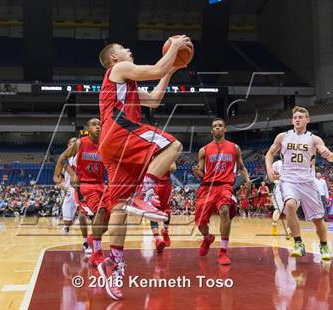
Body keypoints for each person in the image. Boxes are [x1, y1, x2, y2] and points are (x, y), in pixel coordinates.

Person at [96, 37, 189, 300]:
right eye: (123, 49)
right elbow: (156, 68)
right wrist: (173, 48)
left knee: (119, 207)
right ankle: (148, 192)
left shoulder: (129, 85)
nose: (129, 50)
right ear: (114, 58)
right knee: (173, 145)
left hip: (114, 147)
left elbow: (156, 99)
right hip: (118, 133)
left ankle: (112, 264)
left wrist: (170, 70)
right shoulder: (118, 70)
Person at [265, 106, 333, 260]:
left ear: (307, 120)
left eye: (300, 117)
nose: (297, 119)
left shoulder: (314, 139)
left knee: (318, 220)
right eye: (295, 117)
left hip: (308, 182)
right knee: (290, 205)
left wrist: (329, 155)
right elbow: (269, 154)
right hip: (288, 180)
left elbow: (330, 157)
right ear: (292, 120)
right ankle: (298, 243)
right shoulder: (282, 137)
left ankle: (323, 245)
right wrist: (269, 169)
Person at [192, 118, 250, 265]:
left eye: (220, 126)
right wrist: (196, 172)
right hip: (207, 187)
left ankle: (223, 251)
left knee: (225, 210)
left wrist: (247, 180)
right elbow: (201, 172)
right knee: (200, 223)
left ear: (225, 129)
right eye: (215, 126)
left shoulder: (234, 148)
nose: (218, 128)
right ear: (212, 131)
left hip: (225, 186)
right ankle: (207, 237)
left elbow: (241, 167)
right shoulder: (203, 150)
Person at [54, 119, 110, 266]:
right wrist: (72, 175)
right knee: (99, 210)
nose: (97, 127)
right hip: (85, 186)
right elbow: (62, 158)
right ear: (88, 129)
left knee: (112, 216)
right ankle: (96, 252)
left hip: (101, 185)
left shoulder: (104, 144)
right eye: (94, 124)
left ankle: (91, 239)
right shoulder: (80, 143)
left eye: (99, 125)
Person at [151, 162, 177, 253]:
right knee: (152, 211)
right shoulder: (151, 153)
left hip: (166, 185)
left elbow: (173, 168)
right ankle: (157, 240)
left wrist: (159, 165)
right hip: (153, 185)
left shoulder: (169, 153)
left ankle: (165, 232)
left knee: (167, 211)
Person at [271, 160, 292, 238]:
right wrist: (279, 177)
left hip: (291, 188)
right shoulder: (277, 163)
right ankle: (274, 225)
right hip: (280, 188)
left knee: (291, 210)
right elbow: (271, 176)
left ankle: (289, 231)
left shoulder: (295, 163)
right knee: (278, 209)